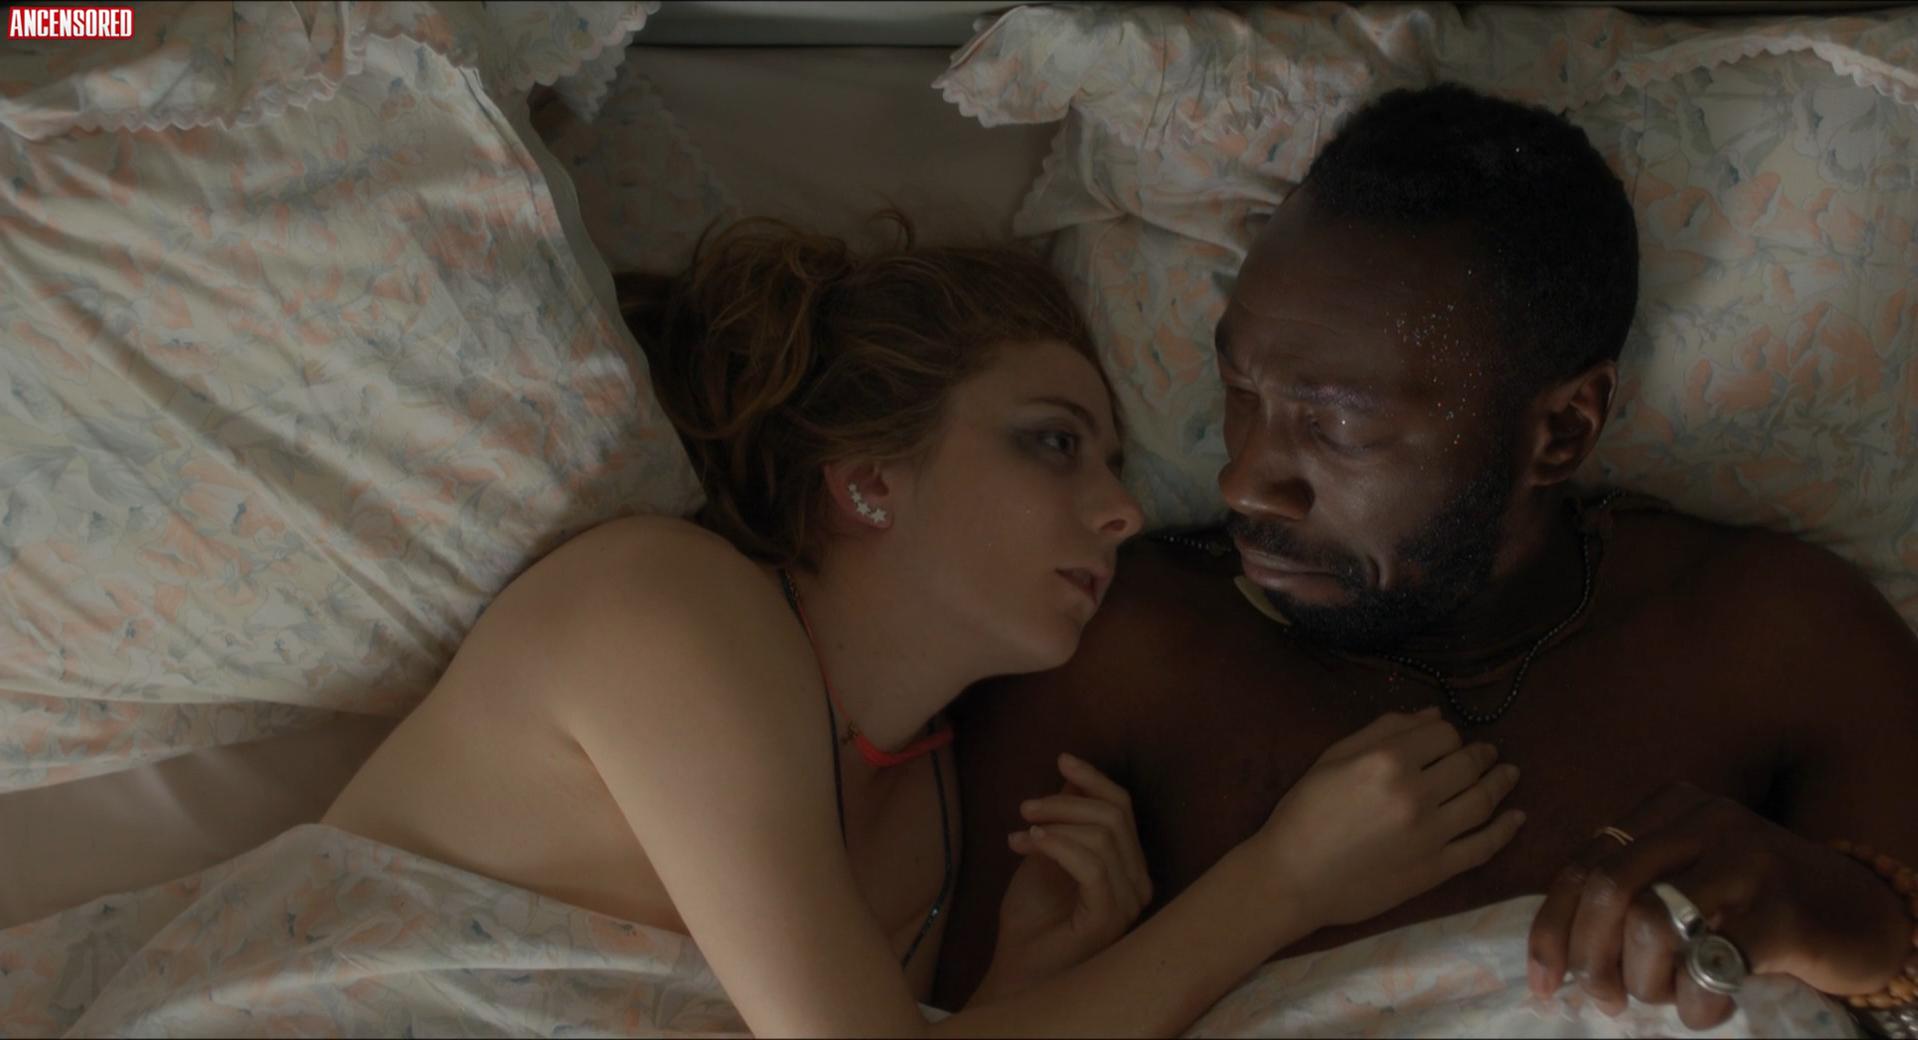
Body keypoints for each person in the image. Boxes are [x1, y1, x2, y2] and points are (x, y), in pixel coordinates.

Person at [321, 217, 1527, 1036]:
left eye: (1113, 463)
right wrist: (1281, 881)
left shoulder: (935, 800)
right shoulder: (666, 608)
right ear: (868, 479)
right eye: (1052, 441)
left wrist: (1015, 989)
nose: (1119, 510)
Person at [937, 85, 1918, 1033]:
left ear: (1561, 431)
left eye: (1338, 427)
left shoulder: (1770, 640)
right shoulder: (1116, 648)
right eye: (1240, 389)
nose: (1244, 480)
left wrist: (1854, 922)